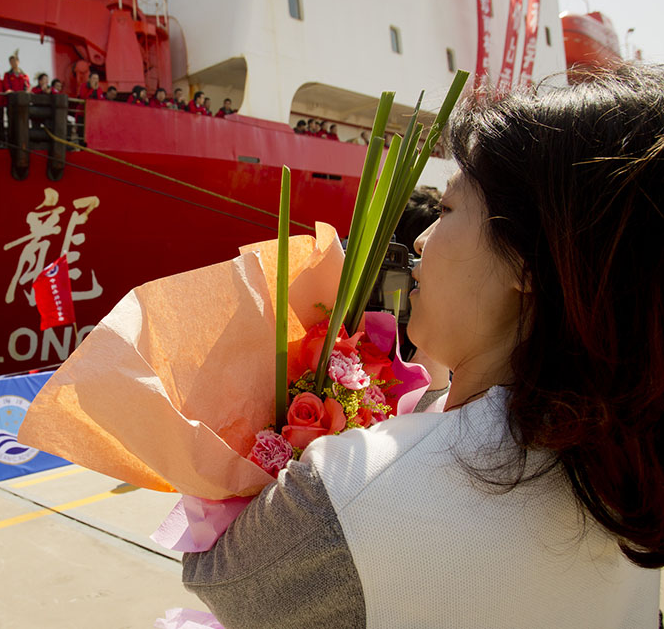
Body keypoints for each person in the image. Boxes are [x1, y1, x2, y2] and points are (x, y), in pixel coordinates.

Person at [182, 64, 664, 627]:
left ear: (527, 259)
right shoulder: (632, 461)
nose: (420, 237)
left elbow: (222, 580)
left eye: (449, 210)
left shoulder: (346, 488)